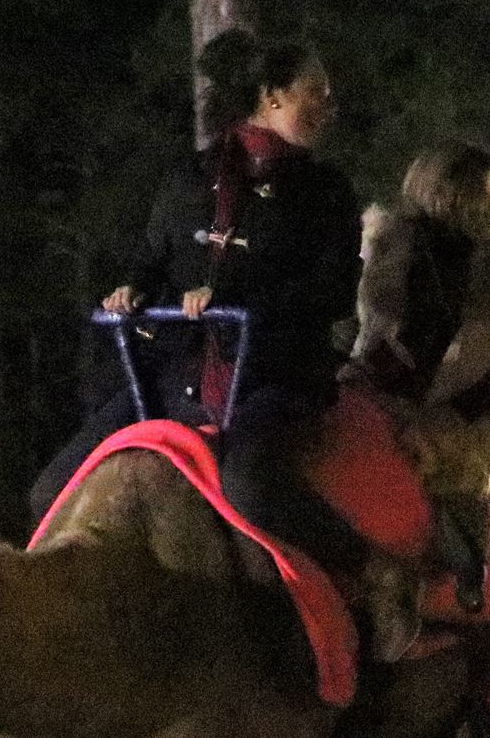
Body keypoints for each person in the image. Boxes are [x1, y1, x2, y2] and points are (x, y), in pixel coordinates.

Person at [31, 29, 365, 585]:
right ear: (272, 96)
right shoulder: (189, 177)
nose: (330, 107)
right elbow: (154, 258)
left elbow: (332, 291)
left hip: (272, 381)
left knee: (250, 486)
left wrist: (239, 301)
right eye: (318, 92)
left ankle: (367, 575)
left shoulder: (325, 192)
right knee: (51, 489)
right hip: (174, 381)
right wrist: (132, 289)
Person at [349, 140, 490, 613]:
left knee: (446, 498)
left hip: (459, 424)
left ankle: (453, 585)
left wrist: (455, 422)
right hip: (372, 403)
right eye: (466, 189)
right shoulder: (379, 247)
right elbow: (349, 332)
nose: (479, 202)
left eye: (489, 194)